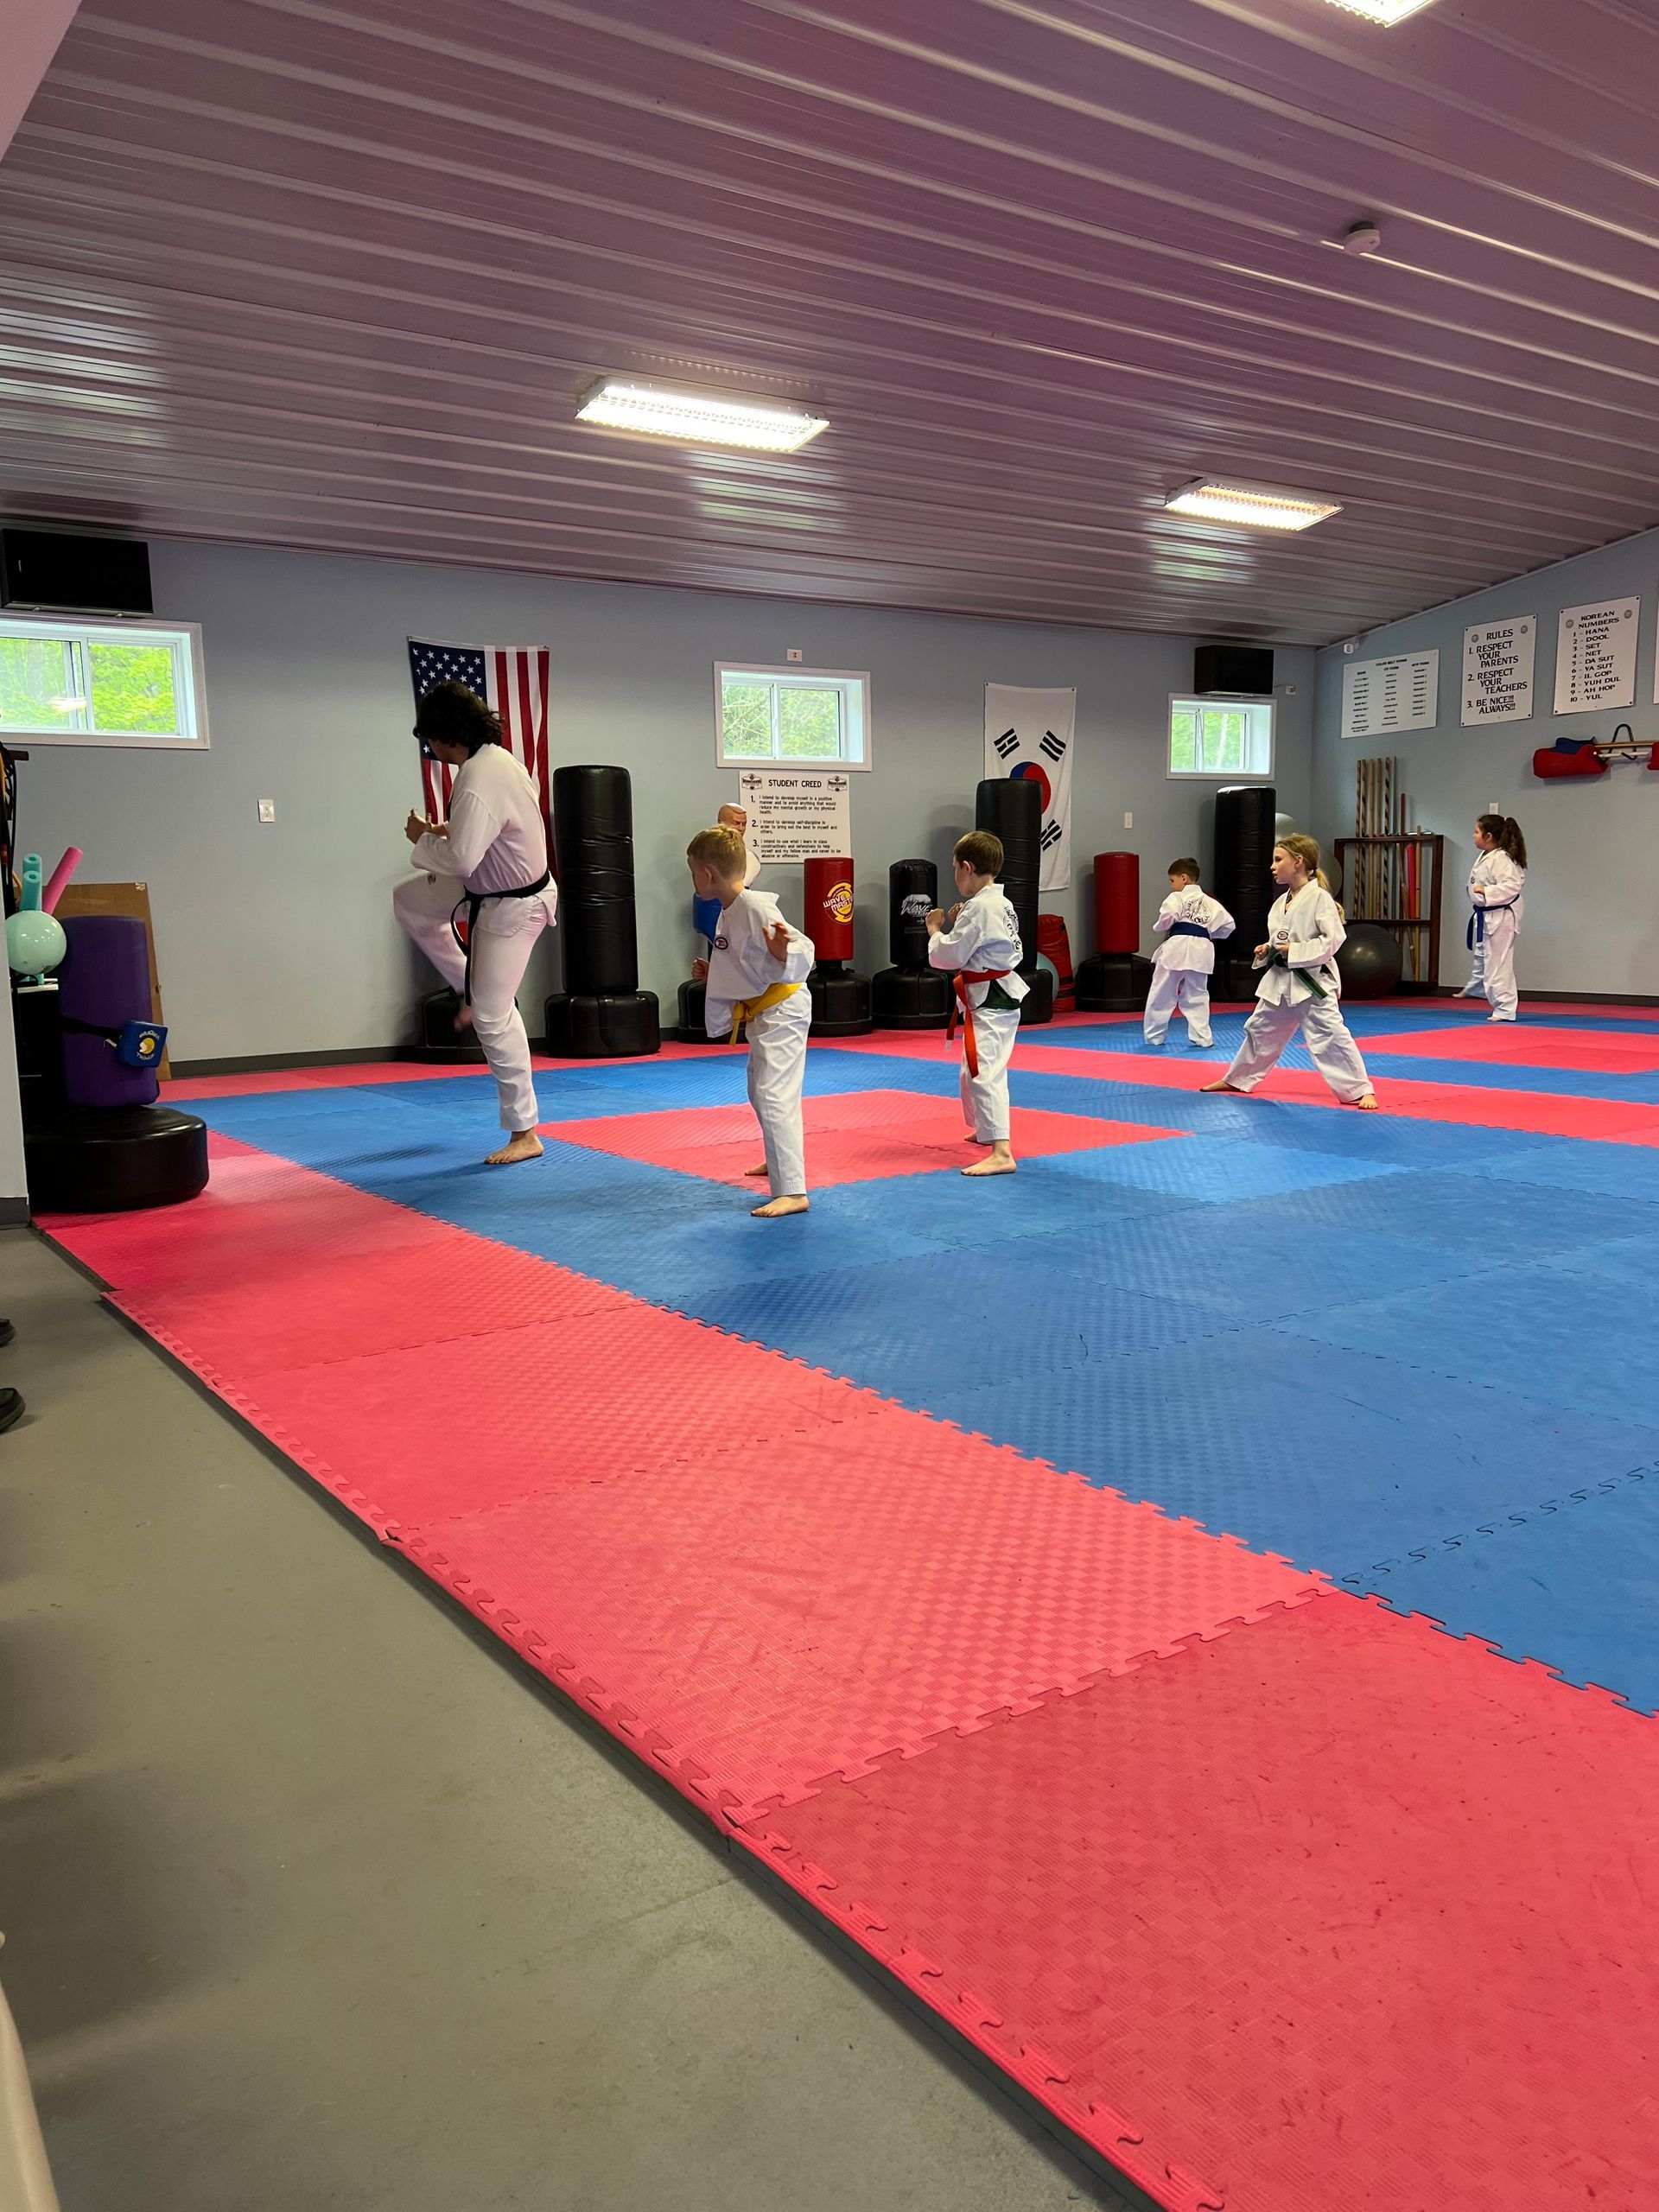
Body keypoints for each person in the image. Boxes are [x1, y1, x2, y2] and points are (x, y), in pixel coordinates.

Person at [394, 682, 557, 1166]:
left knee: (491, 1015)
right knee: (410, 901)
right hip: (487, 887)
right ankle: (465, 982)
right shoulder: (496, 762)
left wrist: (421, 839)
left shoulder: (479, 775)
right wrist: (442, 833)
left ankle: (525, 1132)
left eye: (432, 741)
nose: (433, 751)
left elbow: (464, 857)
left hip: (513, 903)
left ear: (446, 736)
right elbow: (490, 833)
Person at [687, 823, 814, 1218]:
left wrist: (783, 953)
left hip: (783, 1010)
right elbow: (745, 960)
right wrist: (717, 973)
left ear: (708, 873)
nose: (692, 878)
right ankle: (779, 1159)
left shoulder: (757, 906)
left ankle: (793, 1190)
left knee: (775, 1095)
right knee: (759, 1092)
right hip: (764, 1011)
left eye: (692, 870)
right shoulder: (729, 910)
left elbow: (803, 950)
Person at [1202, 832, 1377, 1109]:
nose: (1272, 866)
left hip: (1312, 982)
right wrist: (1268, 949)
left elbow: (1333, 939)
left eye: (1278, 860)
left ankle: (1360, 1089)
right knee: (1260, 1030)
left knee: (1330, 1035)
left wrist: (1294, 951)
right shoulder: (1280, 902)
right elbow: (1281, 939)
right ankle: (1238, 1078)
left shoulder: (1319, 898)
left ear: (1298, 862)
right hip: (1281, 982)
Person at [926, 830, 1029, 1176]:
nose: (955, 874)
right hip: (996, 993)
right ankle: (987, 1130)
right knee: (971, 1069)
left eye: (955, 867)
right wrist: (960, 921)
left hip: (993, 998)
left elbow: (948, 955)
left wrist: (935, 930)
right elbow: (981, 941)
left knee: (984, 1071)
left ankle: (1002, 1151)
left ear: (967, 867)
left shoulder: (982, 907)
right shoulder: (998, 902)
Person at [1143, 858, 1234, 1050]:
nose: (1171, 885)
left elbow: (1167, 919)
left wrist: (1160, 926)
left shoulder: (1176, 897)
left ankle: (1155, 1037)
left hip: (1178, 947)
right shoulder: (1211, 902)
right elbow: (1229, 925)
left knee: (1162, 992)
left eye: (1172, 880)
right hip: (1202, 949)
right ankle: (1203, 1038)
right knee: (1197, 994)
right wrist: (1209, 933)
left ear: (1183, 878)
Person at [1459, 814, 1527, 1022]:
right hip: (1488, 914)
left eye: (1477, 832)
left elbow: (1512, 886)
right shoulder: (1489, 856)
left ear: (1488, 836)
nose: (1473, 836)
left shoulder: (1502, 858)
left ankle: (1505, 1008)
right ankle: (1478, 988)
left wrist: (1486, 891)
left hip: (1501, 915)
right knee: (1485, 958)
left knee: (1498, 963)